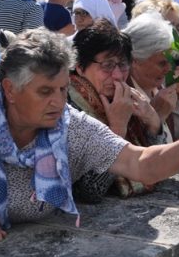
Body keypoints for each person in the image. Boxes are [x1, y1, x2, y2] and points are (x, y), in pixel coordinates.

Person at [0, 28, 179, 243]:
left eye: (63, 90)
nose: (57, 102)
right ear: (10, 90)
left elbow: (140, 163)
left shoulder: (68, 126)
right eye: (45, 91)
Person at [68, 19, 166, 200]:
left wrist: (153, 121)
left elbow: (161, 164)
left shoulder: (127, 97)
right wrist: (118, 129)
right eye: (107, 66)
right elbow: (89, 190)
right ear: (80, 67)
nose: (118, 75)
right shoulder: (69, 106)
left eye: (122, 64)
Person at [125, 12, 179, 143]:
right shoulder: (125, 98)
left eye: (171, 61)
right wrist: (157, 117)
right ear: (135, 60)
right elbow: (137, 156)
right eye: (162, 63)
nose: (169, 69)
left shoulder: (157, 86)